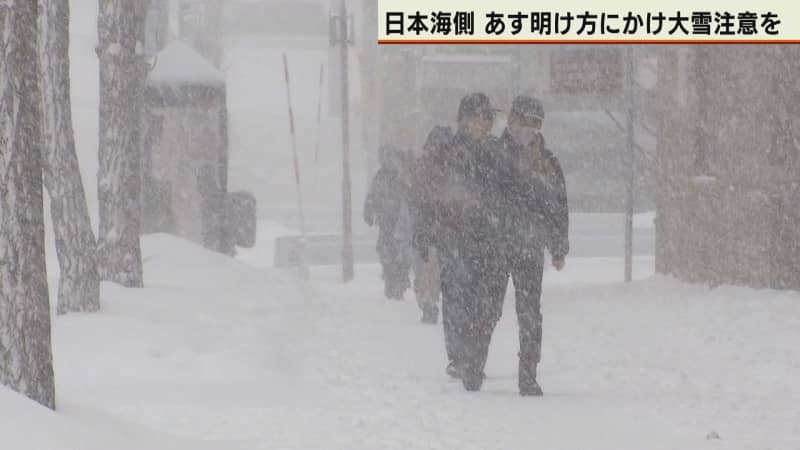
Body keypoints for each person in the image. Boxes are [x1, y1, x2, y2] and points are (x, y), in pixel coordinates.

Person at [415, 92, 512, 391]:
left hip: (491, 240)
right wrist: (425, 230)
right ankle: (462, 357)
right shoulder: (449, 152)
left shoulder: (497, 152)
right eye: (479, 119)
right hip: (455, 237)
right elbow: (430, 194)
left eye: (488, 119)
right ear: (465, 120)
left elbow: (513, 192)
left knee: (489, 304)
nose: (484, 125)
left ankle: (474, 354)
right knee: (458, 298)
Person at [498, 95, 570, 396]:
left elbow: (558, 204)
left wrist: (558, 245)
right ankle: (471, 362)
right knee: (487, 307)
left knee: (529, 311)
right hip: (496, 244)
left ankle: (528, 373)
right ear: (513, 120)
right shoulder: (494, 154)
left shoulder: (547, 162)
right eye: (525, 121)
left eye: (536, 124)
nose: (530, 129)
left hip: (530, 245)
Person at [409, 126, 453, 324]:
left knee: (427, 267)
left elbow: (416, 200)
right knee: (431, 268)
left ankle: (429, 302)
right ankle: (430, 302)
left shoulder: (424, 166)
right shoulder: (447, 166)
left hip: (430, 226)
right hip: (437, 227)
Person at [363, 145, 414, 300]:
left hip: (401, 222)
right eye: (385, 157)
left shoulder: (403, 177)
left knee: (402, 254)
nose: (388, 161)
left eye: (390, 157)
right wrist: (369, 209)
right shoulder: (380, 176)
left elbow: (411, 194)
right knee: (387, 253)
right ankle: (392, 280)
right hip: (387, 222)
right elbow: (372, 195)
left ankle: (399, 281)